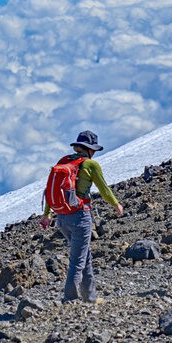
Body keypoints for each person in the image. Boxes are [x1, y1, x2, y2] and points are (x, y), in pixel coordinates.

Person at [39, 130, 123, 304]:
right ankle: (69, 300)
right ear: (90, 149)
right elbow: (104, 189)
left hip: (61, 218)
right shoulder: (90, 165)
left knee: (85, 255)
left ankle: (90, 297)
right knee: (77, 260)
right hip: (80, 217)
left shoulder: (63, 161)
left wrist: (47, 214)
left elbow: (50, 190)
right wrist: (116, 204)